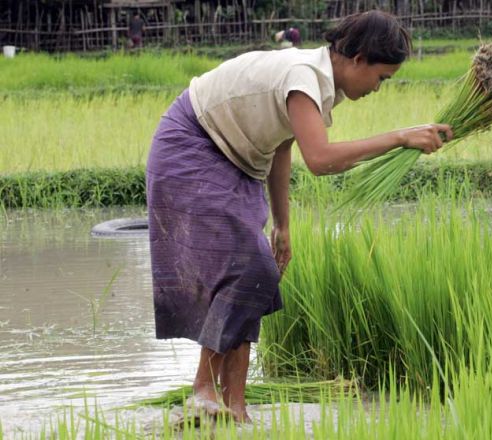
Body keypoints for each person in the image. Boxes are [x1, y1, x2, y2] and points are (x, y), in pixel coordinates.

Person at [145, 10, 452, 423]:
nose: (379, 88)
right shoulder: (304, 76)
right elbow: (320, 159)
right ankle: (203, 391)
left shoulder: (319, 85)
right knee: (249, 270)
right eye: (382, 77)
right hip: (194, 146)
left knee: (256, 276)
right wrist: (400, 136)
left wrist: (282, 225)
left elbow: (283, 146)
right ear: (359, 59)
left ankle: (235, 407)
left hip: (239, 161)